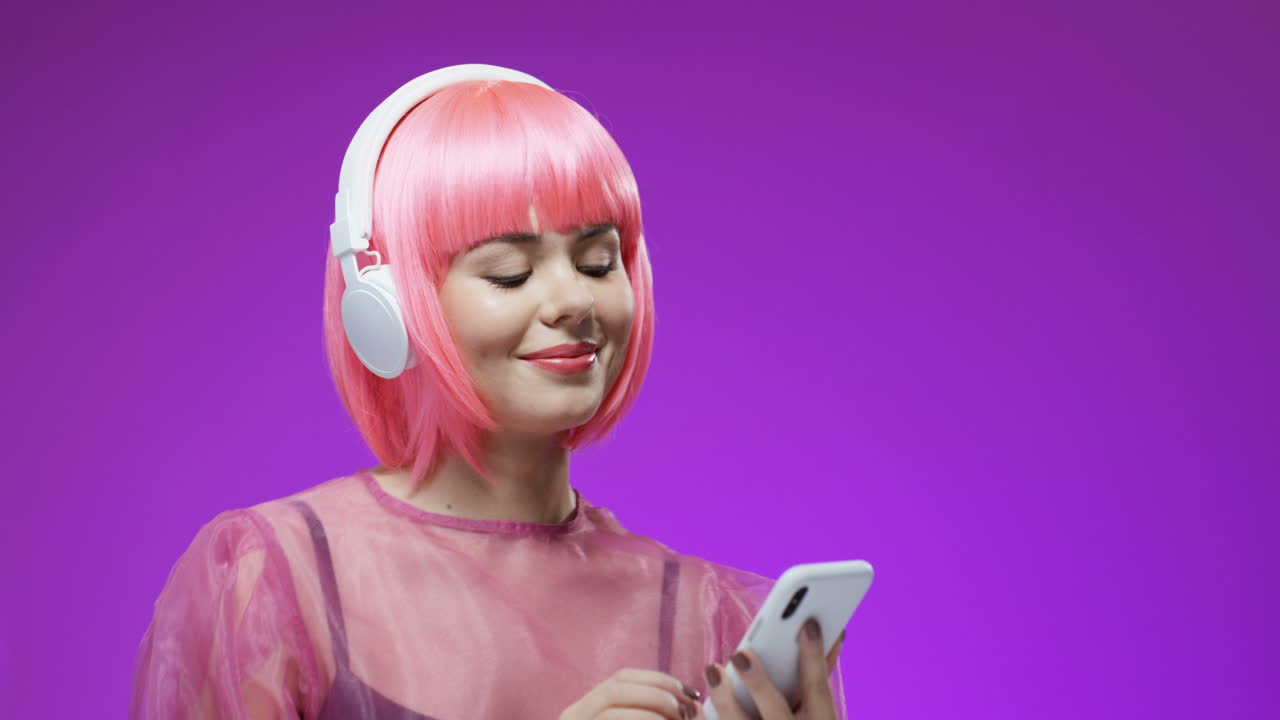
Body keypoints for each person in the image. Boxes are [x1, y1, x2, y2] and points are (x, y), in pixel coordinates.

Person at [129, 64, 849, 720]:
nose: (574, 301)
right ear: (388, 307)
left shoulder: (713, 620)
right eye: (510, 273)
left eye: (599, 262)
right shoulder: (270, 578)